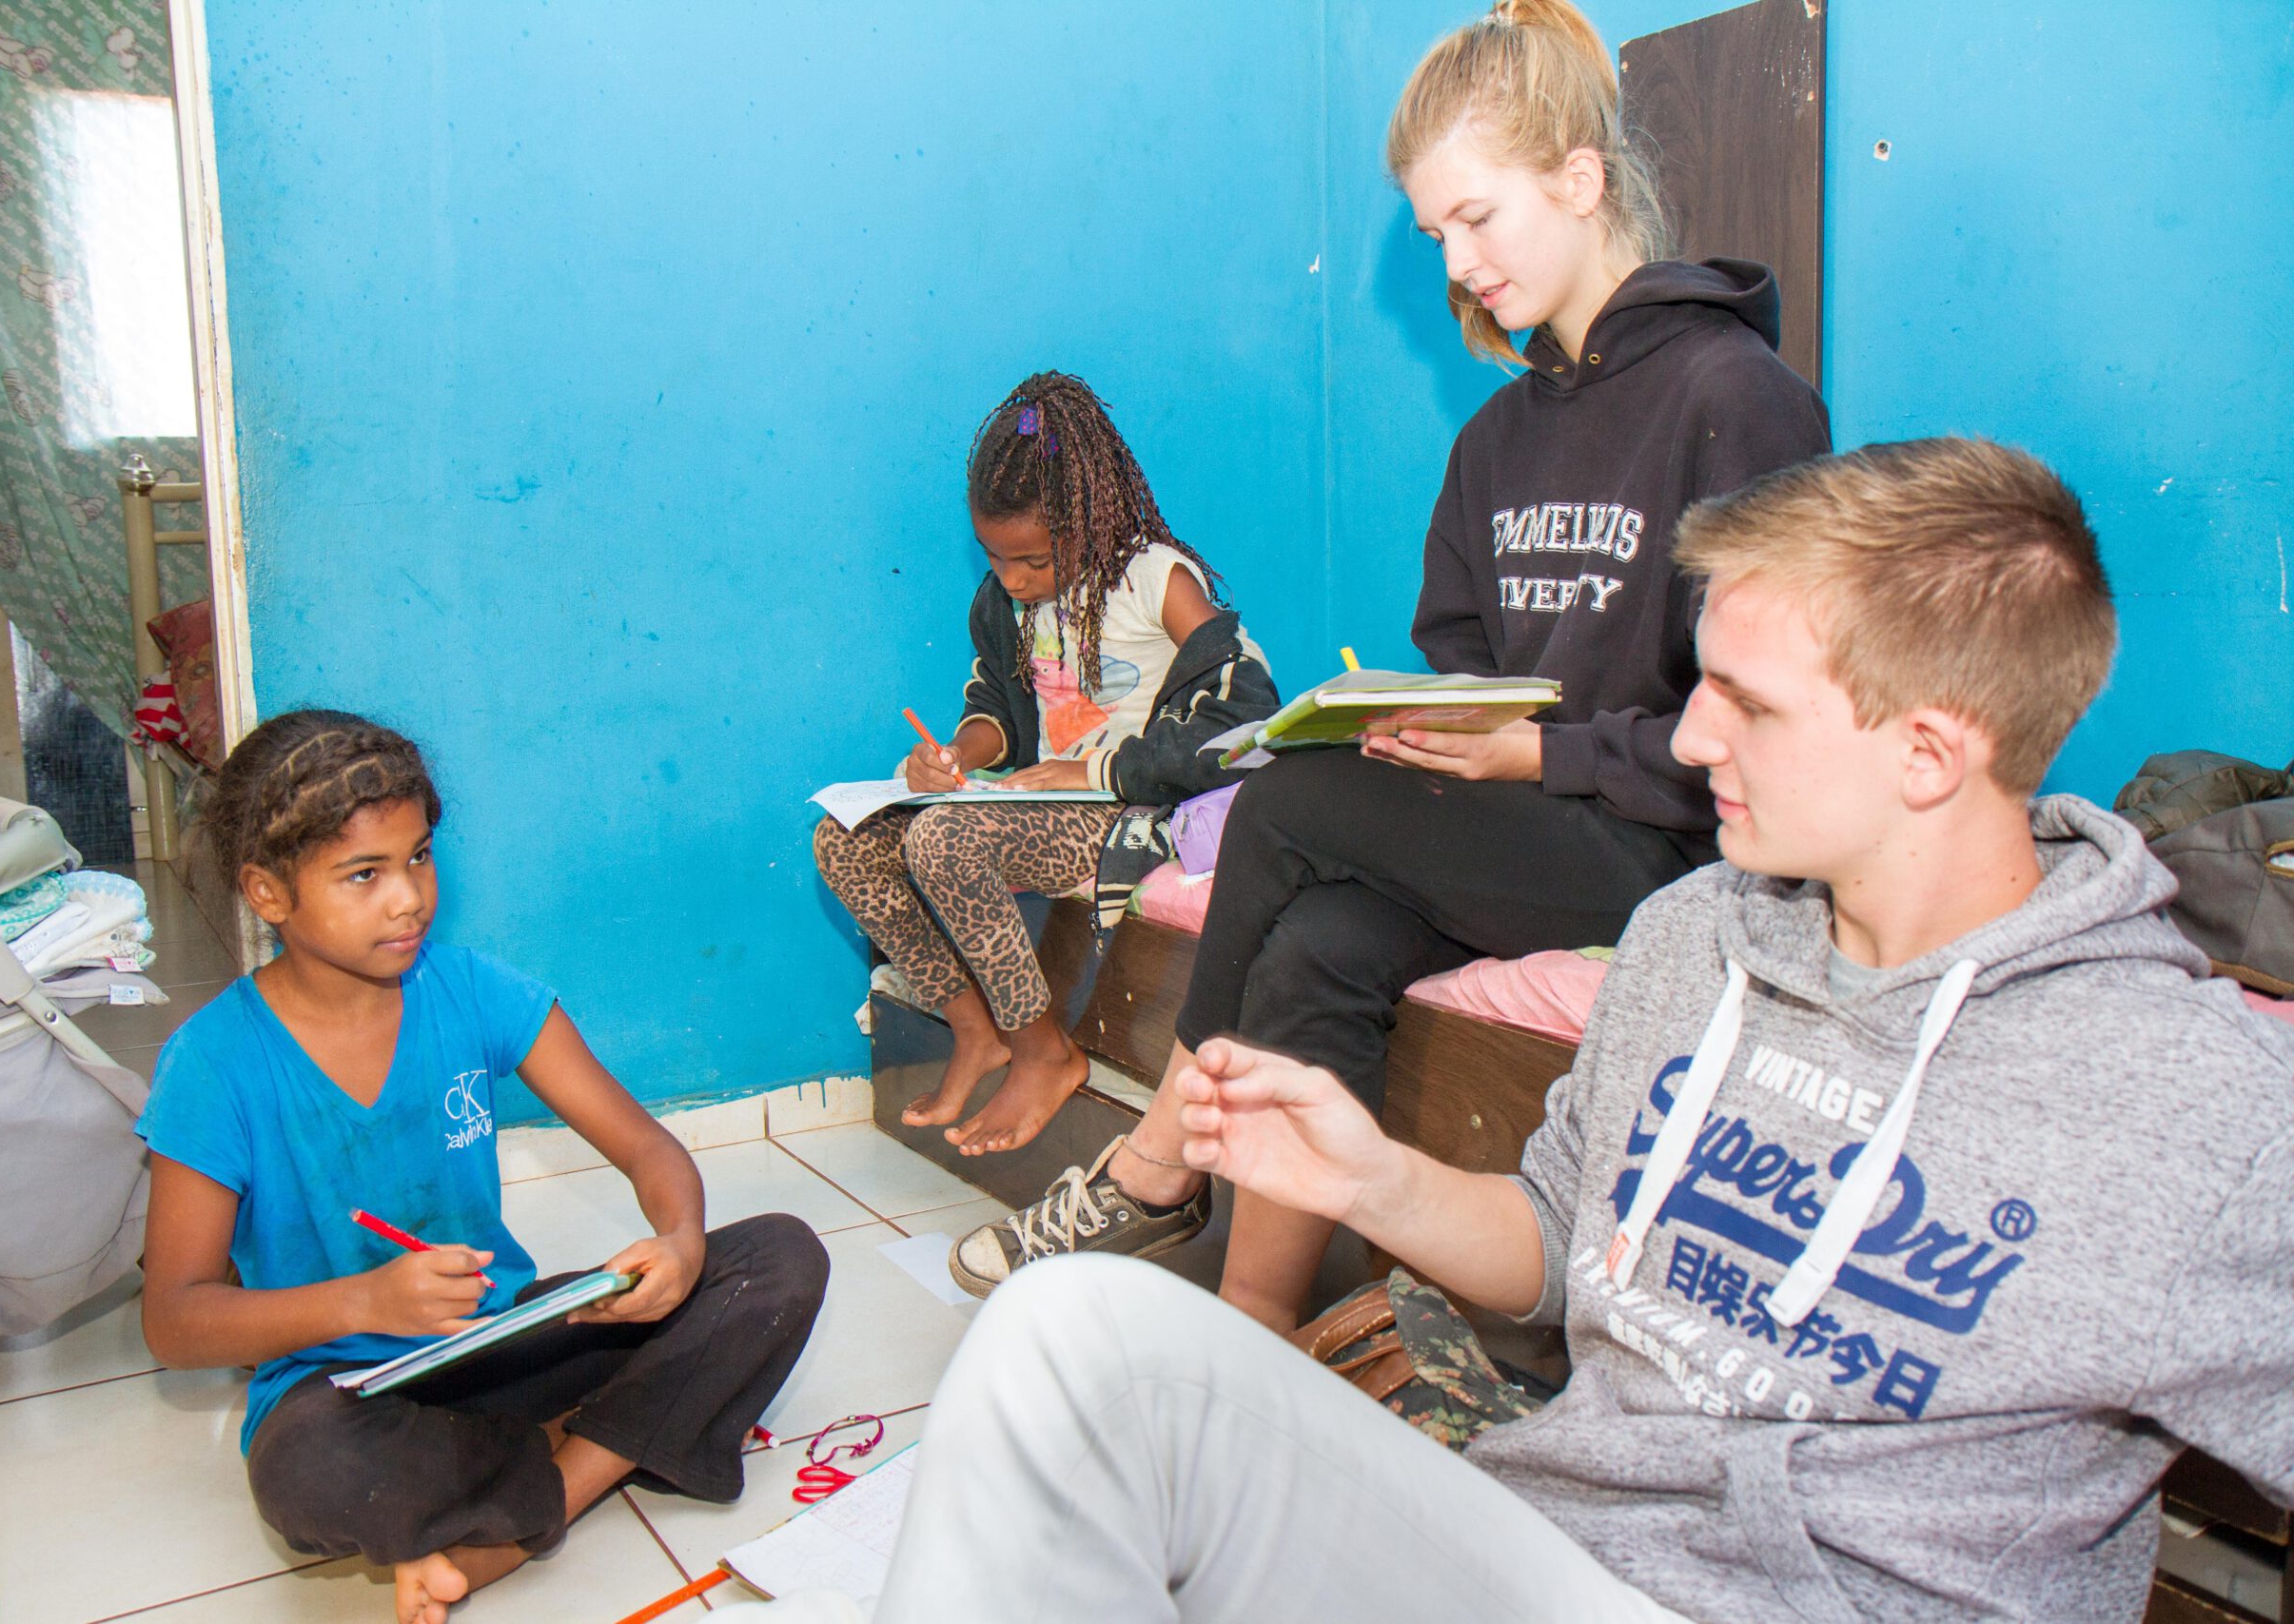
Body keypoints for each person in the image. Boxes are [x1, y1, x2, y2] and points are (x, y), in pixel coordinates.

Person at [809, 438, 2294, 1622]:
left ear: (1927, 751)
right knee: (1067, 1336)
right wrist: (1371, 1176)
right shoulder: (1692, 937)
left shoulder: (2196, 1103)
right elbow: (1552, 1242)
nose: (1690, 738)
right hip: (1554, 1552)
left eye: (1746, 704)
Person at [951, 0, 1831, 1323]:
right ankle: (1257, 1329)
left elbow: (1768, 724)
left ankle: (1159, 1153)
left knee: (1290, 802)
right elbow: (1459, 661)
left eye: (1477, 218)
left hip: (1665, 840)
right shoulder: (1494, 441)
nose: (1459, 264)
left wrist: (1533, 755)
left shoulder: (1735, 397)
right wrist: (1428, 730)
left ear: (1579, 178)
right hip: (1519, 831)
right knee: (1318, 939)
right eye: (1434, 237)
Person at [136, 712, 830, 1624]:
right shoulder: (214, 1061)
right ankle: (599, 1450)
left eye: (419, 857)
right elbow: (174, 1318)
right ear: (267, 892)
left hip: (497, 1342)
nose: (408, 898)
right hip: (345, 1387)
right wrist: (363, 1303)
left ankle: (526, 1505)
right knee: (309, 1472)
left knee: (779, 1257)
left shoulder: (471, 990)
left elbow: (646, 1146)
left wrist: (680, 1242)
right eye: (364, 874)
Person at [814, 370, 1278, 1156]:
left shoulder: (1154, 579)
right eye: (993, 557)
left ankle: (1042, 1051)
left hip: (1129, 810)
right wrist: (954, 755)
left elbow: (1247, 712)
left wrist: (1093, 773)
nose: (1011, 578)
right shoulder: (1004, 600)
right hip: (1032, 807)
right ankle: (974, 1029)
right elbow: (997, 706)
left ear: (1089, 522)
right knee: (844, 842)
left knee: (945, 842)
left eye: (1031, 559)